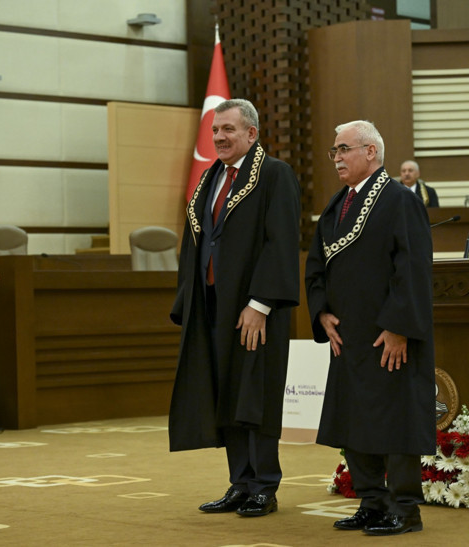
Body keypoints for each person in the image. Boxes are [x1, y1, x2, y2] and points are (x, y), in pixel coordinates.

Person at [169, 99, 301, 517]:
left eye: (228, 129)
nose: (220, 137)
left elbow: (280, 242)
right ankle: (240, 483)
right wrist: (189, 301)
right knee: (225, 394)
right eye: (215, 131)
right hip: (212, 306)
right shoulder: (209, 179)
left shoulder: (274, 175)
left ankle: (264, 484)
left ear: (251, 134)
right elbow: (198, 242)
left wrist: (260, 304)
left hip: (254, 310)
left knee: (254, 395)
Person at [305, 120, 435, 536]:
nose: (337, 157)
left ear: (371, 153)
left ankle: (404, 508)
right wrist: (322, 311)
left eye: (344, 149)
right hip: (347, 335)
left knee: (394, 421)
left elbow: (412, 267)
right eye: (335, 151)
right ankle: (372, 502)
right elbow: (316, 263)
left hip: (386, 335)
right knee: (354, 419)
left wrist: (398, 326)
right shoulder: (336, 204)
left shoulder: (398, 199)